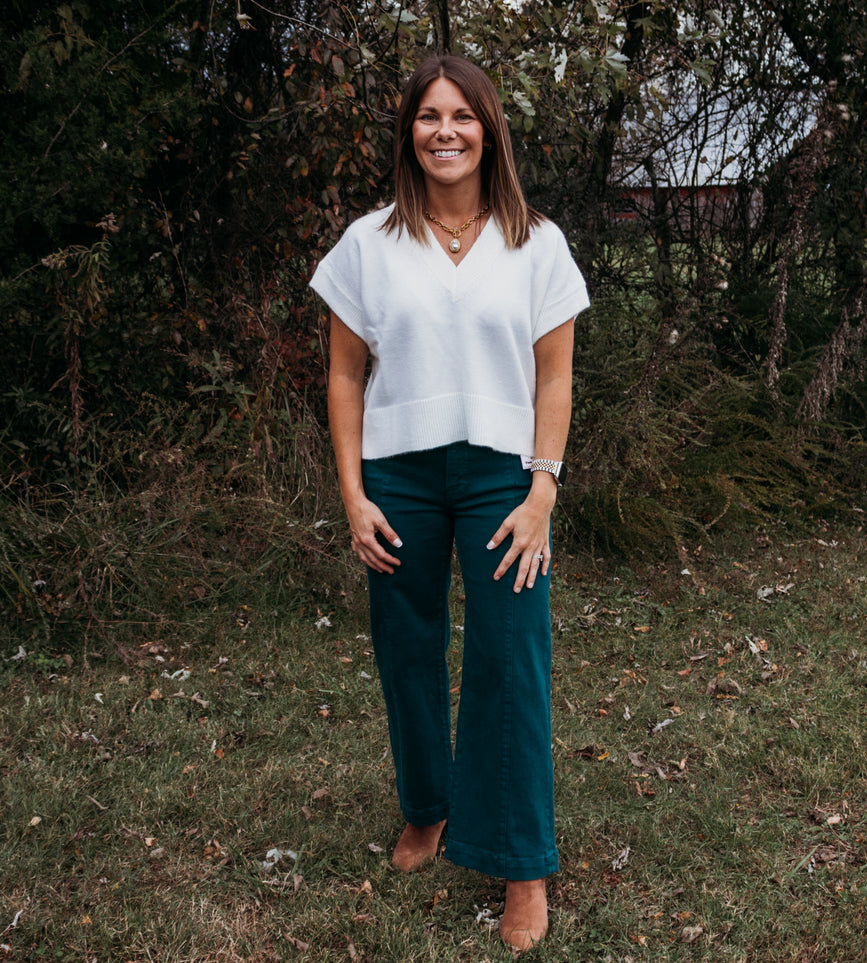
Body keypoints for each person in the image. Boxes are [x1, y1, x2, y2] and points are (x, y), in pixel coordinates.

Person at [310, 53, 589, 952]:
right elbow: (344, 376)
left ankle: (521, 864)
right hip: (398, 476)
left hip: (505, 476)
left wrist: (543, 488)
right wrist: (352, 494)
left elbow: (555, 378)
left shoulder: (536, 242)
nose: (445, 131)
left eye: (461, 116)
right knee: (406, 647)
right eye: (428, 116)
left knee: (511, 657)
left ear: (488, 131)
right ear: (408, 133)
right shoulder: (368, 243)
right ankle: (427, 805)